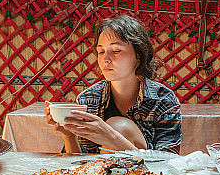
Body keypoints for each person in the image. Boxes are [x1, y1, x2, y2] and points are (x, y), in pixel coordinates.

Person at [44, 15, 182, 154]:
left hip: (144, 169)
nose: (105, 59)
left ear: (138, 56)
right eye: (101, 51)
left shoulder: (163, 100)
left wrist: (111, 137)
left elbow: (168, 162)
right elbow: (78, 162)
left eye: (116, 51)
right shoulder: (89, 99)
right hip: (98, 168)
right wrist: (69, 135)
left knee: (119, 126)